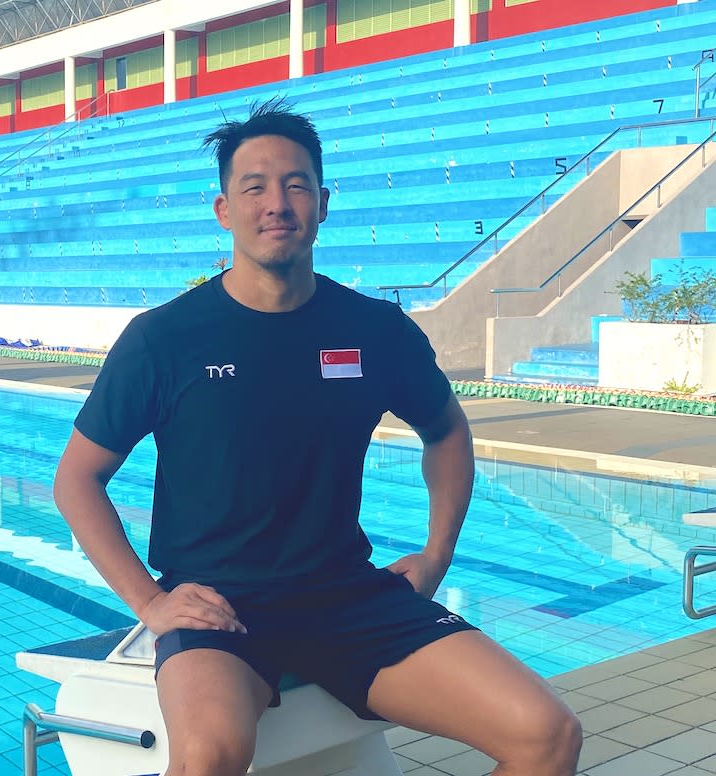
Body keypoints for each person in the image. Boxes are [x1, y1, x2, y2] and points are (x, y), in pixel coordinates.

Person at [52, 99, 581, 776]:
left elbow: (446, 430)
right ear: (223, 210)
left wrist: (437, 551)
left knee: (547, 734)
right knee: (207, 757)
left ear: (324, 202)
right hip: (220, 606)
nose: (277, 203)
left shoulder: (375, 330)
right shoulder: (165, 338)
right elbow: (77, 479)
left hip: (347, 599)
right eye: (255, 187)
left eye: (296, 184)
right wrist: (151, 602)